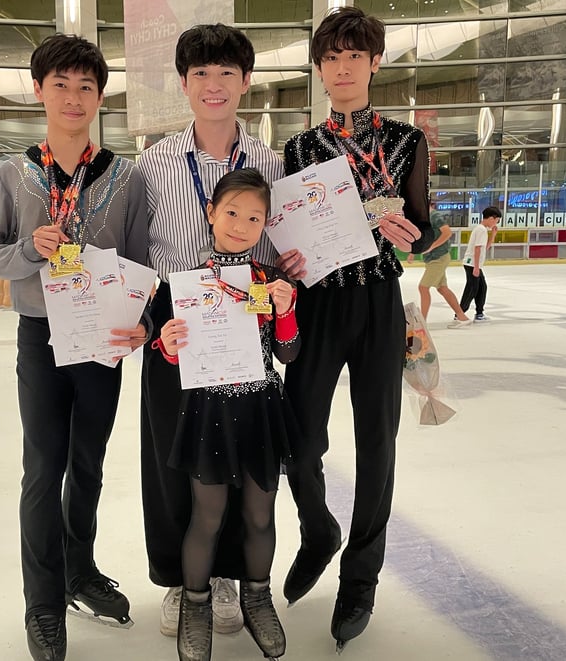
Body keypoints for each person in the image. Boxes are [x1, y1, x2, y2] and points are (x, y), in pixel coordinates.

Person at [0, 33, 149, 661]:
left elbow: (141, 261)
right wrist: (27, 250)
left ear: (100, 95)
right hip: (42, 336)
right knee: (45, 469)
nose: (74, 98)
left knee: (91, 463)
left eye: (87, 87)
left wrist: (142, 323)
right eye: (61, 85)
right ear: (40, 90)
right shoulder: (14, 174)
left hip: (102, 338)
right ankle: (42, 605)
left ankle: (80, 569)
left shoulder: (125, 176)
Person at [277, 7, 433, 651]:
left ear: (374, 63)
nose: (342, 67)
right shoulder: (301, 147)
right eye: (331, 58)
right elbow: (289, 230)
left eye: (354, 56)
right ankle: (319, 528)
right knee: (297, 440)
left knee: (378, 443)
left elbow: (423, 229)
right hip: (317, 305)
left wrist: (412, 236)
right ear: (319, 69)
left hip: (376, 304)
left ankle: (361, 576)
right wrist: (286, 258)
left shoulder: (407, 141)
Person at [137, 23, 285, 638]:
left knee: (239, 466)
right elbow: (131, 256)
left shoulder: (273, 164)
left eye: (227, 72)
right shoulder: (152, 165)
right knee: (175, 468)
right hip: (179, 337)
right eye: (201, 73)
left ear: (246, 82)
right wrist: (150, 329)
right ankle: (182, 581)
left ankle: (228, 579)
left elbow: (291, 251)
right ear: (183, 84)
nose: (214, 84)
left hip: (246, 348)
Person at [155, 169, 298, 661]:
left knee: (260, 514)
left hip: (260, 408)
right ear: (210, 213)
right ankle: (196, 606)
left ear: (266, 223)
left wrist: (287, 310)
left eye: (254, 216)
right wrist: (169, 346)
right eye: (232, 212)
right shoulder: (187, 283)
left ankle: (257, 596)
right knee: (208, 515)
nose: (241, 224)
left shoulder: (271, 280)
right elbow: (173, 356)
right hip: (208, 410)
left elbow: (290, 353)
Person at [407, 209, 471, 328]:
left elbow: (447, 232)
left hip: (439, 258)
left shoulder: (434, 216)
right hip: (434, 258)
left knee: (423, 287)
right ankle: (462, 317)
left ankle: (422, 322)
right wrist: (413, 252)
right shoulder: (424, 218)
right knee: (442, 288)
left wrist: (432, 247)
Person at [459, 206, 501, 322]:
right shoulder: (481, 230)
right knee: (472, 288)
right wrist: (477, 267)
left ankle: (479, 313)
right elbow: (477, 249)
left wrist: (493, 235)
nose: (496, 223)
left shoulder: (482, 229)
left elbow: (484, 248)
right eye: (497, 220)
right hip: (472, 264)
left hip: (473, 264)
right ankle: (460, 313)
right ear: (492, 218)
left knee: (481, 287)